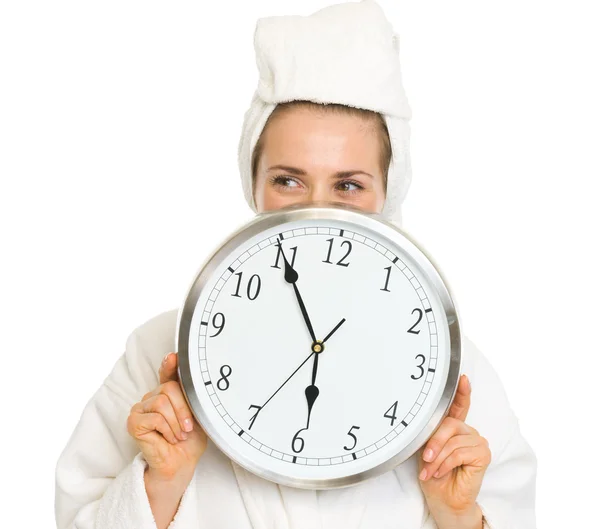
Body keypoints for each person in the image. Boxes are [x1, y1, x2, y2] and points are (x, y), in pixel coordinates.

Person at [54, 2, 537, 528]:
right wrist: (161, 482)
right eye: (288, 180)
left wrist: (458, 514)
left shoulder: (451, 371)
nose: (317, 210)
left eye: (348, 186)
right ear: (253, 184)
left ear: (387, 195)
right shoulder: (159, 350)